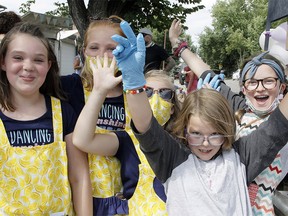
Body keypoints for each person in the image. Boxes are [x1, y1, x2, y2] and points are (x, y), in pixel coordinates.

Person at [111, 19, 288, 215]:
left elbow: (277, 126)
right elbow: (145, 127)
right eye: (196, 133)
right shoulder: (172, 159)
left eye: (215, 134)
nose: (206, 143)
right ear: (184, 129)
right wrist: (134, 84)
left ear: (228, 131)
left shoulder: (240, 157)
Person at [169, 19, 288, 215]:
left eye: (268, 81)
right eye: (252, 82)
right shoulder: (236, 106)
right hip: (221, 202)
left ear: (281, 86)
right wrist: (177, 44)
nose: (260, 88)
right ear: (243, 87)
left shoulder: (282, 117)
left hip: (261, 208)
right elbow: (203, 70)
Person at [0, 22, 92, 215]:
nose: (28, 67)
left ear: (49, 65)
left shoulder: (64, 112)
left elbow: (79, 177)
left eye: (38, 60)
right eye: (18, 57)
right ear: (3, 62)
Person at [73, 64, 182, 214]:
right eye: (147, 91)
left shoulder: (185, 141)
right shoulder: (127, 140)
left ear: (172, 107)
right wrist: (99, 91)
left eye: (164, 93)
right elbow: (82, 140)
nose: (155, 99)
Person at [60, 15, 133, 215]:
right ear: (84, 51)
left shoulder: (133, 94)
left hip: (127, 199)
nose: (103, 55)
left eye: (112, 48)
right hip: (81, 197)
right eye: (94, 48)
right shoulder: (67, 87)